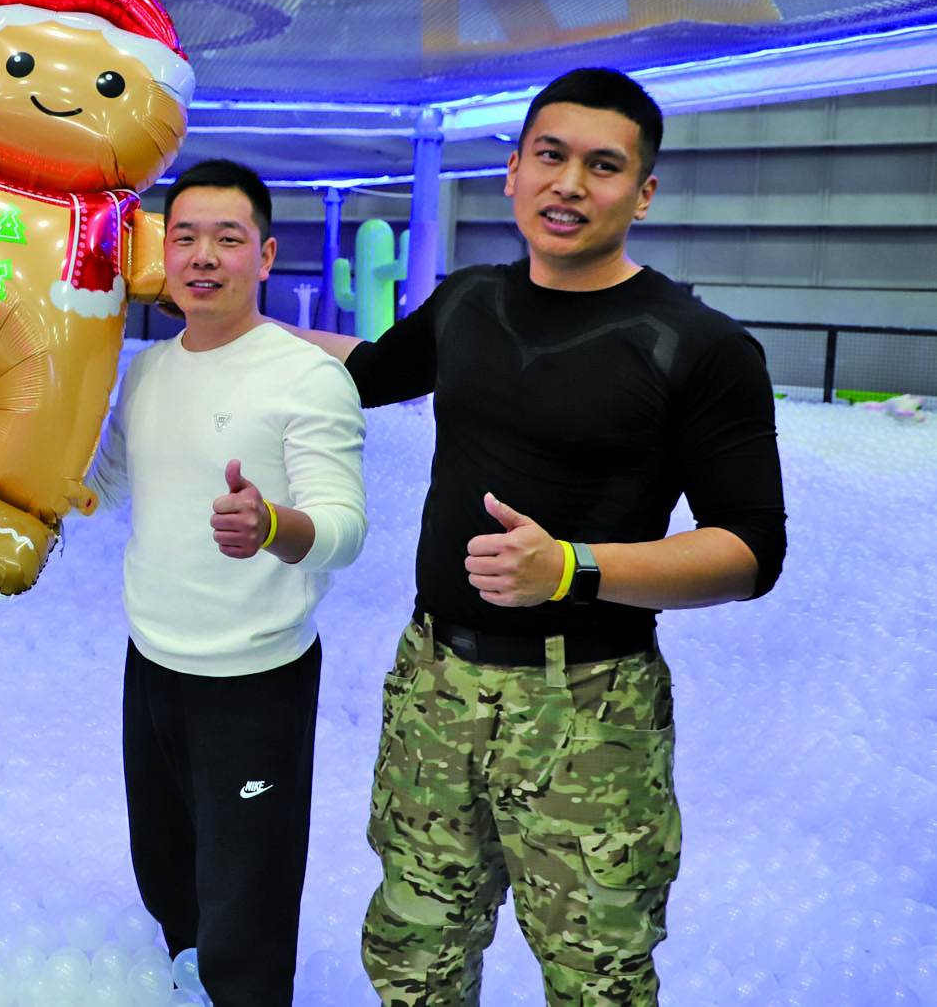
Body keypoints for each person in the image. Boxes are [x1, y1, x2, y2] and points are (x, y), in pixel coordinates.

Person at [292, 67, 787, 1006]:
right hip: (435, 685)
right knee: (415, 956)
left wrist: (571, 566)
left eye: (603, 166)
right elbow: (366, 370)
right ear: (513, 170)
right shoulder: (468, 301)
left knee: (597, 977)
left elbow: (750, 549)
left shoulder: (701, 346)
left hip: (589, 710)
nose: (569, 184)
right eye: (550, 156)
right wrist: (230, 320)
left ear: (643, 192)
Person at [85, 159, 369, 1006]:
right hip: (152, 658)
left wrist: (273, 525)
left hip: (255, 676)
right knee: (166, 864)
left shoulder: (307, 377)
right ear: (161, 253)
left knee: (248, 892)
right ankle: (187, 974)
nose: (203, 256)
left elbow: (345, 530)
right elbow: (101, 487)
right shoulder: (145, 370)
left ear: (266, 255)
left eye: (228, 239)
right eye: (185, 238)